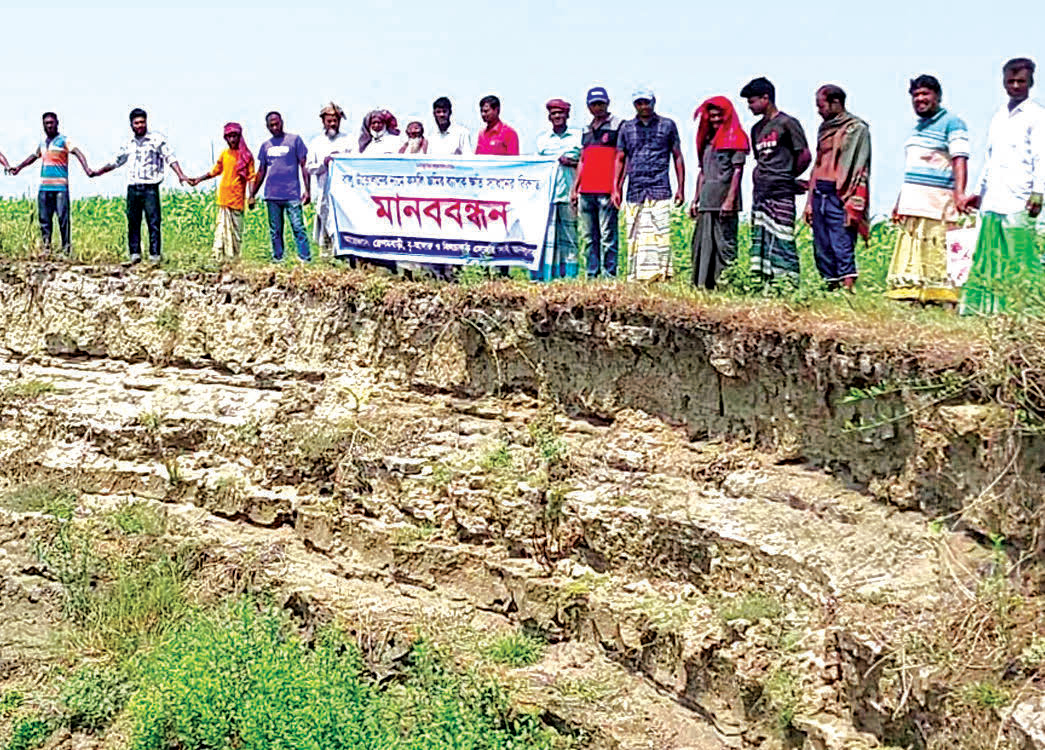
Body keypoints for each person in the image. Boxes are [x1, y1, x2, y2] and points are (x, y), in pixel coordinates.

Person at [962, 57, 1045, 314]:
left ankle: (1027, 308)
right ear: (1004, 83)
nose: (1016, 86)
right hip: (993, 197)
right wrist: (977, 192)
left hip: (1020, 196)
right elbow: (990, 158)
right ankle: (987, 309)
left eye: (1021, 81)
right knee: (989, 255)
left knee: (1020, 254)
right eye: (1011, 81)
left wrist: (1039, 192)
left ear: (1031, 83)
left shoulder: (1037, 116)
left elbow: (1041, 156)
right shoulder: (999, 116)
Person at [885, 75, 970, 305]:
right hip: (913, 203)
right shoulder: (917, 129)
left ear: (937, 96)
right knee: (913, 255)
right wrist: (899, 202)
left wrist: (960, 194)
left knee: (937, 252)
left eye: (925, 94)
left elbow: (959, 159)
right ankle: (913, 300)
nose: (920, 99)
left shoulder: (953, 123)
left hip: (937, 202)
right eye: (916, 95)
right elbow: (911, 169)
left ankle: (941, 302)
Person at [92, 108, 189, 264]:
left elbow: (169, 157)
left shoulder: (156, 140)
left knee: (153, 221)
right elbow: (116, 162)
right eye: (136, 123)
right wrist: (98, 172)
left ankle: (155, 255)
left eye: (142, 122)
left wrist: (180, 174)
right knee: (133, 221)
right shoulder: (128, 144)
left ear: (146, 122)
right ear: (131, 125)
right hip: (133, 187)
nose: (139, 125)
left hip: (150, 187)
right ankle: (134, 254)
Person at [741, 77, 811, 283]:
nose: (750, 107)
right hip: (761, 190)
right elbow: (760, 159)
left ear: (766, 98)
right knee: (762, 238)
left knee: (783, 236)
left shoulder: (788, 123)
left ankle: (787, 282)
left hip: (781, 191)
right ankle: (765, 283)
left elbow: (804, 155)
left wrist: (788, 177)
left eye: (752, 102)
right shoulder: (756, 129)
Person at [612, 87, 685, 282]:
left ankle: (663, 275)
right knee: (635, 234)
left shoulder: (668, 125)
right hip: (635, 188)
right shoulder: (627, 128)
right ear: (634, 105)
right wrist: (615, 188)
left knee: (661, 233)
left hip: (660, 187)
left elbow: (677, 156)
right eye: (639, 103)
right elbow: (620, 158)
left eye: (646, 102)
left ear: (654, 103)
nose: (643, 106)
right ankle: (637, 276)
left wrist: (681, 188)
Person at [803, 85, 871, 290]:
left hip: (841, 193)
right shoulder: (824, 129)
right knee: (821, 244)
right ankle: (830, 287)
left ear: (836, 103)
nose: (818, 111)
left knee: (842, 242)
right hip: (819, 191)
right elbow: (818, 163)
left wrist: (852, 200)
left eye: (821, 105)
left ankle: (847, 289)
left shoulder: (856, 129)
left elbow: (859, 166)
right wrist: (808, 202)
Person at [8, 112, 94, 255]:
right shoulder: (43, 143)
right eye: (46, 123)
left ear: (57, 123)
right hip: (44, 186)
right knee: (44, 219)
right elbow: (34, 156)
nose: (49, 126)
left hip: (60, 187)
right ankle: (46, 248)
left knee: (62, 218)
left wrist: (87, 169)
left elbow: (78, 153)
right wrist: (19, 167)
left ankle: (66, 249)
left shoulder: (64, 141)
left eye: (51, 123)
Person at [690, 96, 749, 290]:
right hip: (707, 200)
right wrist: (695, 199)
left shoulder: (737, 137)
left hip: (724, 199)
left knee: (725, 245)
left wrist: (730, 200)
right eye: (711, 116)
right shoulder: (707, 141)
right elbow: (702, 172)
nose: (715, 120)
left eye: (719, 116)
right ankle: (703, 285)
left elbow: (737, 171)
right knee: (702, 245)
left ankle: (726, 285)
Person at [570, 86, 622, 278]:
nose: (597, 108)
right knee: (589, 237)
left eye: (601, 103)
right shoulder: (586, 129)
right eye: (594, 104)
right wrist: (575, 188)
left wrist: (616, 187)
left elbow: (621, 157)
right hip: (587, 189)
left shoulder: (618, 125)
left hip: (606, 188)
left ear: (607, 103)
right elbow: (582, 159)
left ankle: (610, 275)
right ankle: (592, 273)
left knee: (608, 236)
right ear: (588, 106)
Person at [185, 123, 255, 262]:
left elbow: (251, 176)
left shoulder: (246, 156)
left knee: (235, 232)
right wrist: (199, 179)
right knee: (222, 230)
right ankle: (219, 259)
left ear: (239, 137)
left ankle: (233, 259)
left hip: (237, 199)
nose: (232, 139)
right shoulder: (224, 154)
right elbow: (215, 171)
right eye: (229, 137)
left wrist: (251, 196)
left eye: (234, 136)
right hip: (224, 198)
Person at [249, 111, 311, 263]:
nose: (275, 127)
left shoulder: (294, 140)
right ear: (267, 127)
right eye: (272, 125)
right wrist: (252, 195)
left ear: (282, 122)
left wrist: (307, 190)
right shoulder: (265, 146)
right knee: (275, 230)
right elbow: (261, 171)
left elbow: (304, 165)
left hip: (292, 194)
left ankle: (305, 258)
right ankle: (278, 258)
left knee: (298, 227)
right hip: (272, 195)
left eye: (277, 124)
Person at [534, 99, 582, 280]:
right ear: (549, 117)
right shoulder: (542, 140)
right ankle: (547, 276)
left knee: (569, 238)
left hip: (569, 194)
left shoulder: (577, 137)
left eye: (560, 113)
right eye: (554, 114)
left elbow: (585, 164)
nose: (557, 117)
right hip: (547, 197)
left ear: (567, 115)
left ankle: (570, 276)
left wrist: (570, 162)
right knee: (547, 239)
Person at [306, 102, 353, 254]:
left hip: (345, 192)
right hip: (324, 190)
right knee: (324, 219)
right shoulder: (316, 142)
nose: (333, 124)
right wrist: (323, 164)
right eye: (329, 121)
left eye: (335, 121)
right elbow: (309, 167)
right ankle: (325, 255)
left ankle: (342, 253)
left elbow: (354, 163)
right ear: (323, 122)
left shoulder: (349, 140)